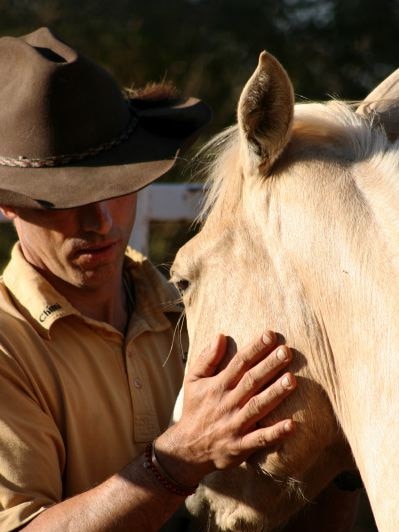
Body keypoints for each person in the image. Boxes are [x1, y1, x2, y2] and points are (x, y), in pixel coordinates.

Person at [0, 28, 297, 531]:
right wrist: (178, 459)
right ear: (8, 203)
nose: (102, 222)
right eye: (65, 199)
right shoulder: (9, 345)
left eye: (118, 185)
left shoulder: (185, 304)